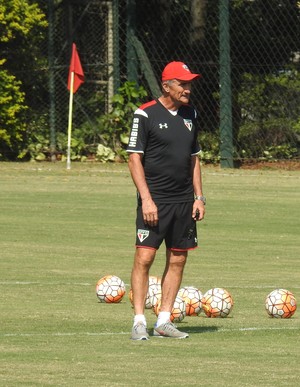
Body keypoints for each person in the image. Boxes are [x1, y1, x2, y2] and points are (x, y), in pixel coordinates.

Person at [126, 61, 206, 340]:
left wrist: (199, 197)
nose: (188, 88)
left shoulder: (190, 114)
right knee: (144, 256)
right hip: (155, 200)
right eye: (182, 83)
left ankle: (163, 320)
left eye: (189, 83)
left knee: (178, 259)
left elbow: (194, 158)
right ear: (166, 86)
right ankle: (138, 321)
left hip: (184, 201)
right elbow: (134, 157)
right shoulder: (145, 114)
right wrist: (146, 199)